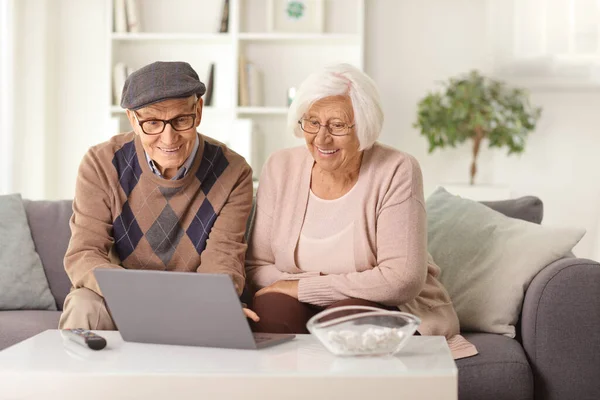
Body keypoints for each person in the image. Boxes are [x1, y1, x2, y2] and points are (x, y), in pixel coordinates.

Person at [245, 63, 477, 359]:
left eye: (338, 125)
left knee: (345, 322)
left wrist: (302, 288)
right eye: (312, 122)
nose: (321, 138)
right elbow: (256, 267)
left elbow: (400, 280)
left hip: (377, 304)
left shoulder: (396, 169)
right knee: (270, 310)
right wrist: (301, 290)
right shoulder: (280, 166)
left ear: (365, 126)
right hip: (298, 305)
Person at [59, 61, 257, 330]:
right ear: (132, 120)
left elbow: (223, 261)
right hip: (123, 298)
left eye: (180, 120)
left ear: (198, 111)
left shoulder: (233, 171)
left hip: (195, 302)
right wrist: (146, 296)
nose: (168, 138)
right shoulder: (101, 163)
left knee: (221, 316)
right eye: (152, 122)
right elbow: (84, 254)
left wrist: (207, 303)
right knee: (83, 305)